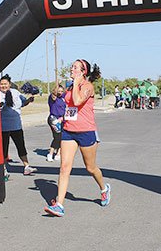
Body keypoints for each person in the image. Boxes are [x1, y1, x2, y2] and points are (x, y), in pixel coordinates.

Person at [44, 59, 111, 217]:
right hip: (69, 131)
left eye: (75, 68)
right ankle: (59, 205)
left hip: (86, 131)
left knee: (90, 168)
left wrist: (76, 84)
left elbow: (78, 100)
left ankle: (104, 188)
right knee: (64, 167)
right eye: (72, 67)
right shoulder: (69, 87)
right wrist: (62, 118)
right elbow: (69, 106)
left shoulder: (88, 86)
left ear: (83, 72)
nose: (71, 69)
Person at [0, 74, 37, 178]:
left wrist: (29, 100)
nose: (3, 86)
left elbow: (23, 103)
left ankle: (27, 166)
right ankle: (3, 169)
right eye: (1, 84)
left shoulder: (15, 92)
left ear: (9, 84)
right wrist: (0, 106)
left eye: (5, 84)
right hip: (3, 127)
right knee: (3, 149)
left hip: (16, 125)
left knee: (21, 146)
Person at [47, 84, 66, 162]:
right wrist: (57, 84)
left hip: (63, 119)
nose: (60, 92)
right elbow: (53, 95)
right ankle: (50, 153)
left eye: (62, 91)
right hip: (54, 119)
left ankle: (58, 153)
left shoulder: (63, 98)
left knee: (62, 137)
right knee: (57, 137)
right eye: (59, 91)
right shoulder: (53, 98)